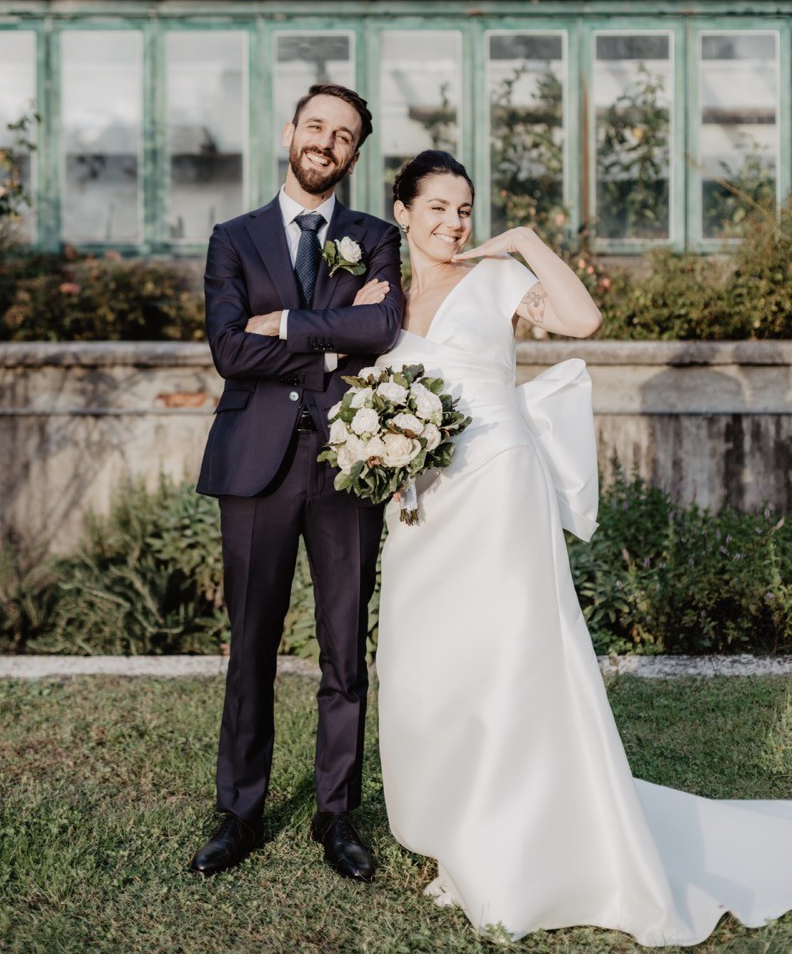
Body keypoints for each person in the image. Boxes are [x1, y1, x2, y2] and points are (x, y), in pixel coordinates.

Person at [375, 149, 792, 946]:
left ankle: (521, 845)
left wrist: (524, 239)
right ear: (402, 211)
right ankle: (460, 826)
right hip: (421, 506)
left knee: (508, 657)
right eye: (435, 208)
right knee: (432, 664)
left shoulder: (494, 278)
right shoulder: (381, 297)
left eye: (463, 208)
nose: (452, 222)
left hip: (498, 483)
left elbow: (580, 320)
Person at [191, 83, 403, 883]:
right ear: (290, 132)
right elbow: (227, 351)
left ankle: (336, 815)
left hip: (350, 461)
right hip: (256, 464)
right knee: (250, 645)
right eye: (316, 126)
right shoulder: (233, 239)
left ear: (354, 153)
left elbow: (380, 331)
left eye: (343, 135)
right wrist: (327, 348)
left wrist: (280, 326)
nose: (326, 142)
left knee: (344, 651)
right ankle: (238, 813)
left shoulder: (377, 237)